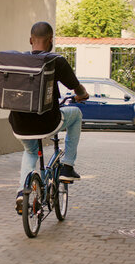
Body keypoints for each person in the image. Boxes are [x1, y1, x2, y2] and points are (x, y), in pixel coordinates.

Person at [9, 22, 89, 214]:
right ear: (51, 40)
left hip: (19, 124)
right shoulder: (56, 60)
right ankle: (67, 166)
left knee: (30, 152)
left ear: (30, 40)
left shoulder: (18, 61)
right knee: (76, 114)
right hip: (47, 122)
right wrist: (82, 95)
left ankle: (22, 192)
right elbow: (77, 88)